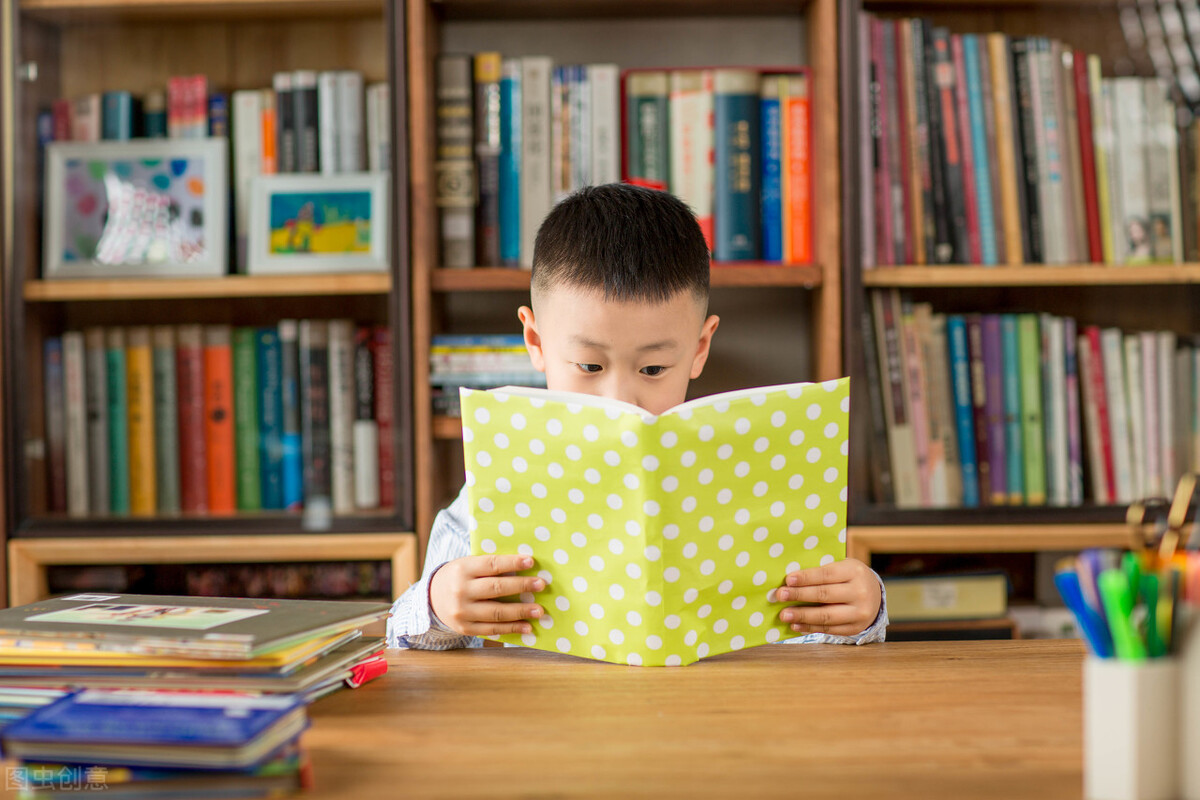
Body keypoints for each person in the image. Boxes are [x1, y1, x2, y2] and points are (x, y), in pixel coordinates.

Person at [388, 184, 887, 651]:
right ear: (536, 342)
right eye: (589, 366)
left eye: (652, 368)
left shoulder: (758, 485)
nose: (619, 399)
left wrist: (863, 611)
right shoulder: (496, 489)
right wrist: (436, 603)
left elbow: (814, 635)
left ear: (699, 348)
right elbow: (401, 637)